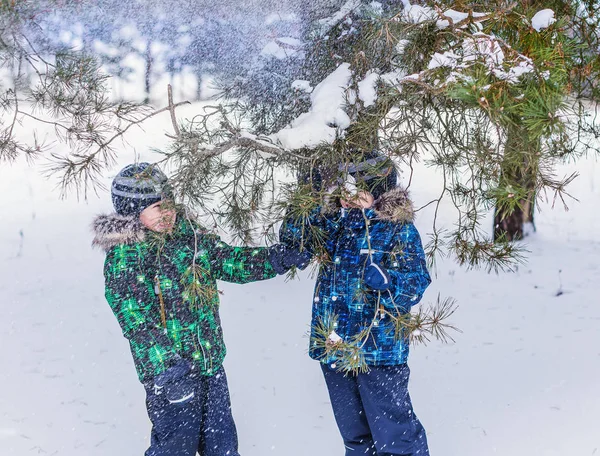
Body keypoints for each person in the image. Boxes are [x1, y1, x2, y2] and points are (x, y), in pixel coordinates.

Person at [92, 162, 309, 456]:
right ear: (133, 212)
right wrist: (168, 368)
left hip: (210, 366)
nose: (167, 212)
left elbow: (229, 261)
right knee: (174, 449)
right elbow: (135, 320)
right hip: (171, 376)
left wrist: (275, 259)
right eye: (157, 207)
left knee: (223, 448)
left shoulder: (190, 237)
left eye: (169, 203)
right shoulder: (126, 255)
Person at [280, 152, 432, 456]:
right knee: (355, 437)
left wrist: (389, 282)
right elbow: (294, 240)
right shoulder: (337, 222)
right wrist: (306, 198)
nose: (346, 194)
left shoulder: (397, 228)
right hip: (335, 345)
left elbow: (416, 282)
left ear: (375, 188)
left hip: (379, 348)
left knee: (395, 435)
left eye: (354, 187)